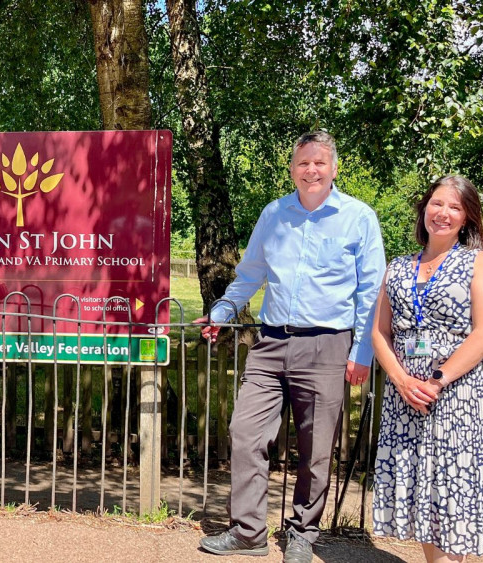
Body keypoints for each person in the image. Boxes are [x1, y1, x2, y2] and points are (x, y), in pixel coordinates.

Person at [195, 131, 386, 563]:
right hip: (271, 341)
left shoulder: (359, 218)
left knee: (316, 448)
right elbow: (250, 274)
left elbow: (371, 292)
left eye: (320, 162)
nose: (311, 170)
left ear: (334, 168)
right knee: (245, 433)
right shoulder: (274, 214)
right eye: (303, 163)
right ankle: (249, 533)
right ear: (292, 169)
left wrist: (361, 353)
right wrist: (222, 313)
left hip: (327, 344)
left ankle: (302, 534)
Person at [371, 175, 483, 561]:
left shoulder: (482, 263)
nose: (443, 213)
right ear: (424, 208)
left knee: (453, 491)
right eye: (437, 203)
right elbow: (379, 333)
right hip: (407, 398)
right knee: (425, 492)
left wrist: (434, 381)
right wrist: (402, 381)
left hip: (458, 396)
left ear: (467, 217)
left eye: (454, 207)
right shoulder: (398, 267)